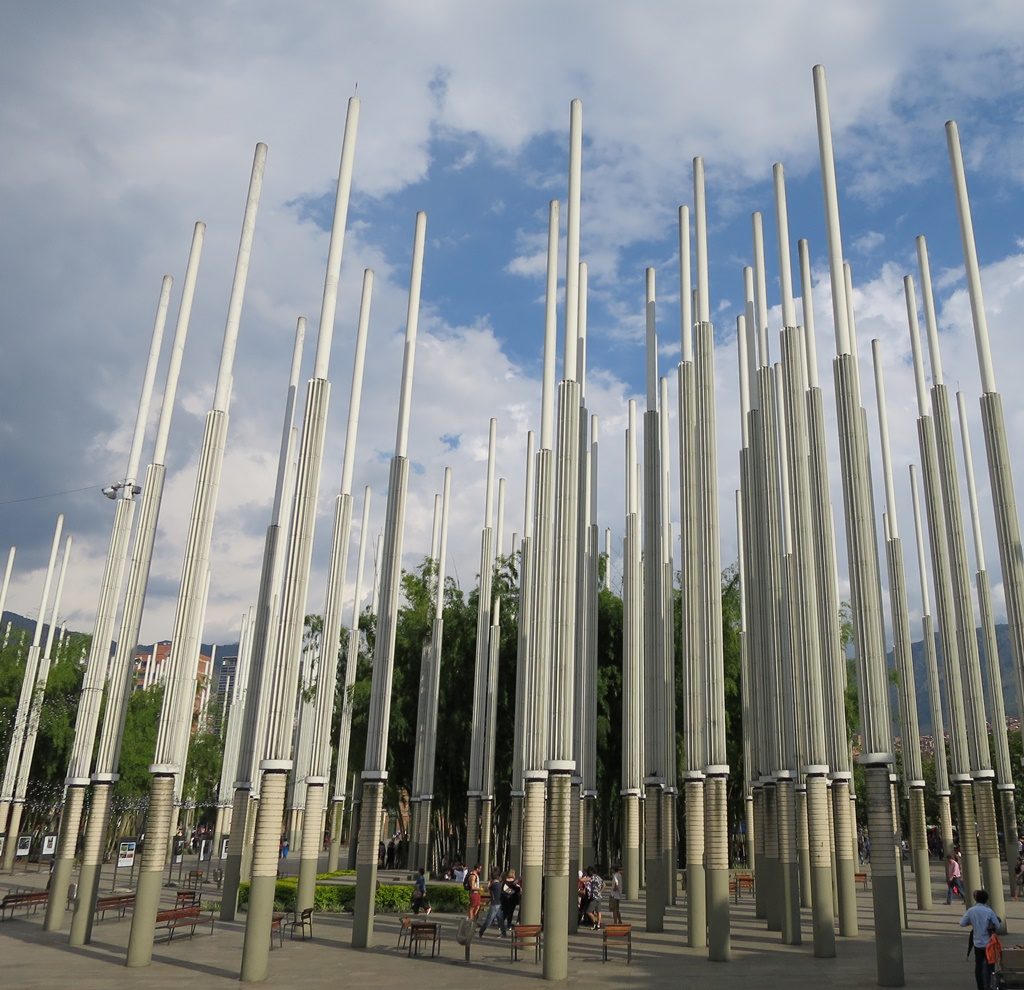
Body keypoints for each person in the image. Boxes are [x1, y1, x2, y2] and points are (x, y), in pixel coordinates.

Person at [960, 889, 1001, 990]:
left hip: (977, 943)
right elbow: (997, 925)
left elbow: (962, 923)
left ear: (976, 899)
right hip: (989, 943)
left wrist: (972, 922)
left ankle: (980, 986)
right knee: (990, 965)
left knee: (978, 966)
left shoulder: (971, 910)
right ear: (986, 900)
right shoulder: (989, 911)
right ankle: (990, 985)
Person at [478, 868, 506, 936]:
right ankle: (503, 933)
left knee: (489, 919)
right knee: (500, 919)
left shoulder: (493, 885)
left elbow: (486, 890)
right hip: (499, 903)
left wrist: (489, 883)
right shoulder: (500, 884)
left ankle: (481, 931)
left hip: (494, 905)